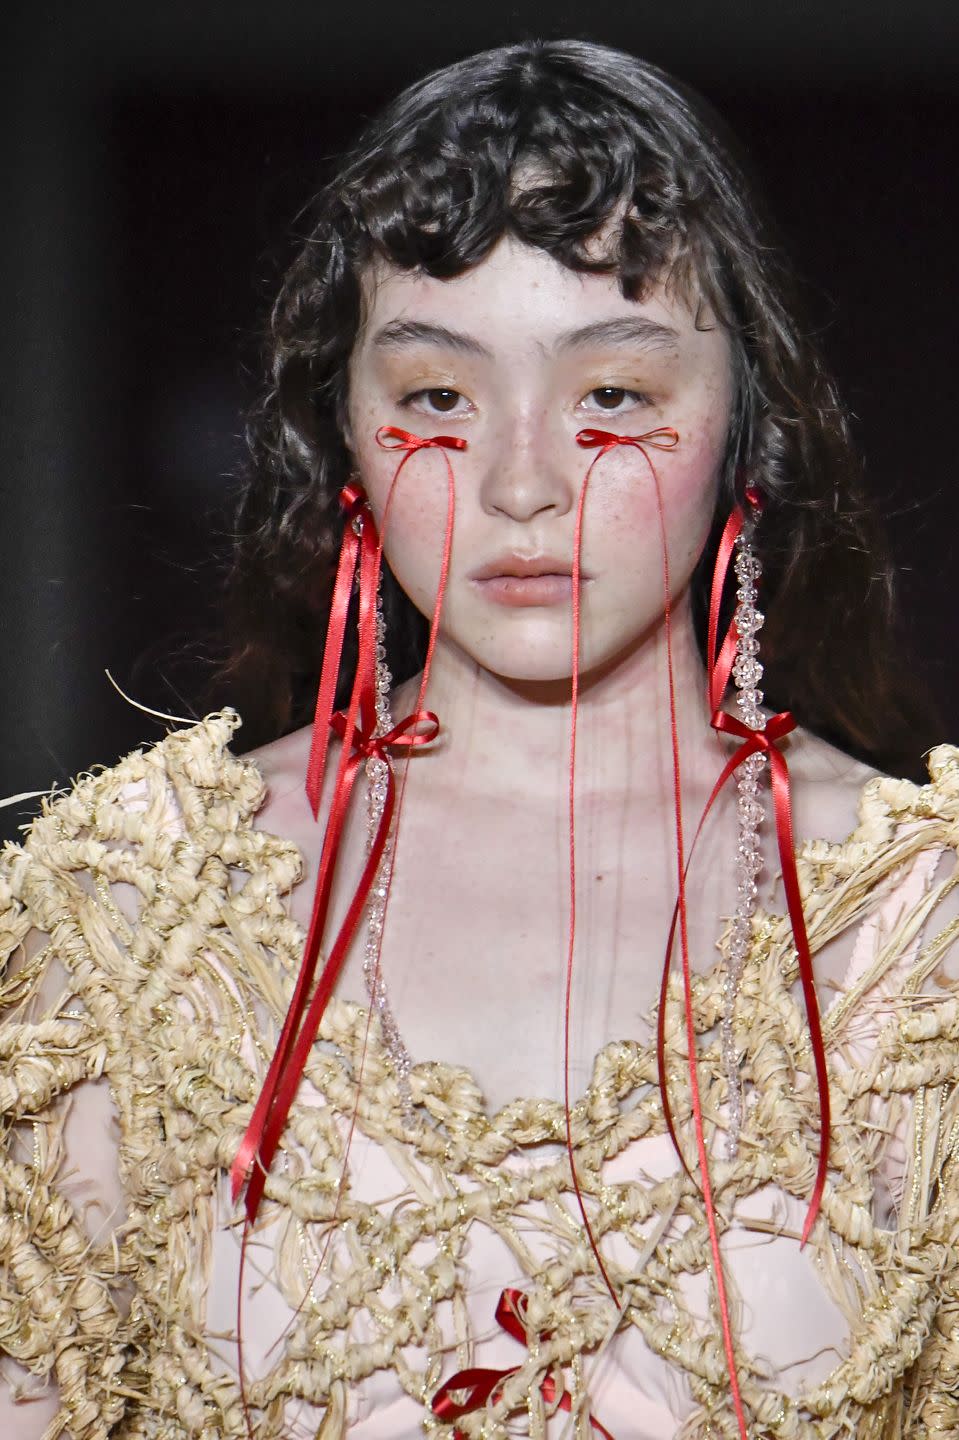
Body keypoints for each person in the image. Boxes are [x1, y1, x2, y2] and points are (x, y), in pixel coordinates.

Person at [1, 38, 957, 1440]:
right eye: (438, 398)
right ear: (346, 433)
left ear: (744, 423)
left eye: (612, 399)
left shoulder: (920, 931)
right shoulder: (128, 919)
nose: (521, 482)